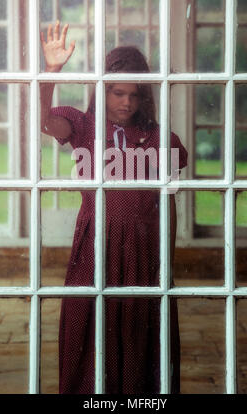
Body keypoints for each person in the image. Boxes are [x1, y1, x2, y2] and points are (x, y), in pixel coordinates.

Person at [40, 21, 188, 394]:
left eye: (134, 95)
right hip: (96, 247)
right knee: (89, 331)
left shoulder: (159, 138)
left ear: (145, 97)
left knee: (140, 338)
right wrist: (50, 72)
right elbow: (43, 119)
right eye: (117, 92)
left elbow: (168, 204)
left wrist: (166, 264)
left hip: (143, 250)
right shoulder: (83, 127)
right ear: (102, 90)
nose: (125, 102)